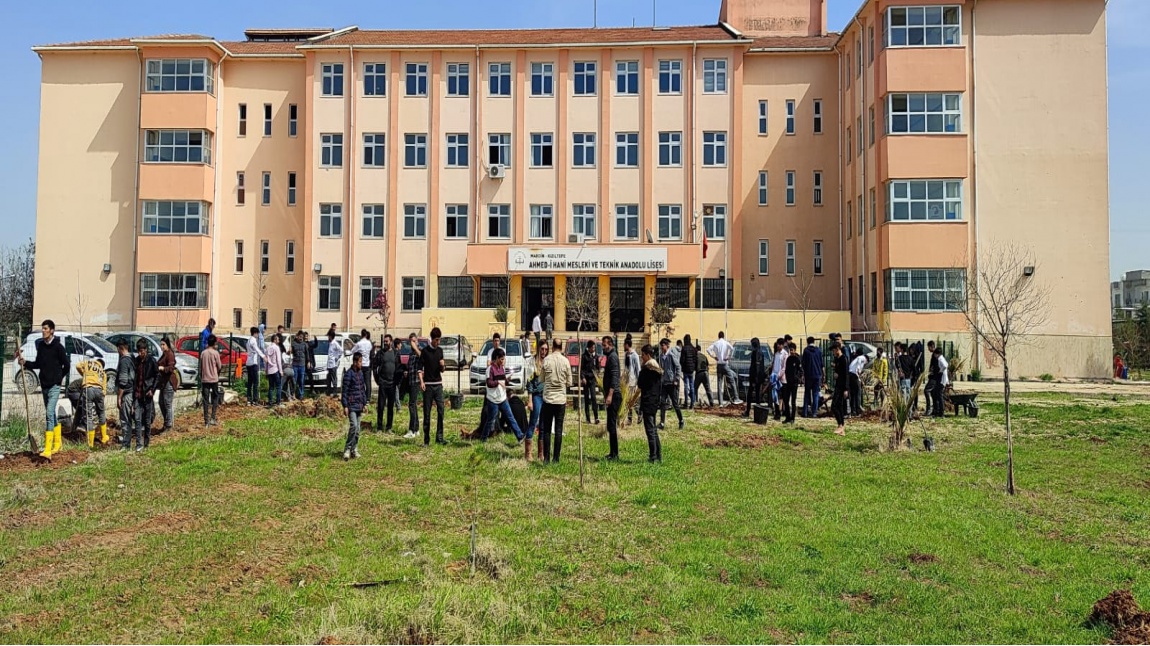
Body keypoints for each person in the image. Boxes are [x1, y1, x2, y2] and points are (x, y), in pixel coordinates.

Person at [16, 320, 70, 459]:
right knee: (51, 415)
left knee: (49, 413)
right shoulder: (41, 346)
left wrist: (59, 378)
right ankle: (57, 444)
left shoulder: (58, 347)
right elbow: (38, 363)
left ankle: (47, 449)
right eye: (42, 329)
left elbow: (67, 365)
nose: (43, 331)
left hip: (54, 386)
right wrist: (25, 363)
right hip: (44, 384)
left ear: (52, 330)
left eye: (45, 328)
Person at [481, 348, 525, 443]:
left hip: (502, 398)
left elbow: (503, 380)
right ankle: (483, 438)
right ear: (496, 358)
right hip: (493, 399)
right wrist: (497, 382)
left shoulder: (502, 368)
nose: (503, 361)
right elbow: (489, 383)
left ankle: (520, 436)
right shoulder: (490, 369)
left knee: (510, 417)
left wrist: (507, 380)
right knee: (490, 420)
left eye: (504, 359)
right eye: (501, 359)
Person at [539, 339, 570, 464]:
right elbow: (569, 382)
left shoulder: (546, 360)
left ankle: (546, 458)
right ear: (561, 348)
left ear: (552, 347)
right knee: (558, 429)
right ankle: (556, 458)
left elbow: (541, 379)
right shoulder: (566, 361)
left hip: (548, 399)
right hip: (560, 399)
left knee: (546, 429)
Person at [420, 327, 447, 445]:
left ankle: (439, 437)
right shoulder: (425, 352)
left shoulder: (440, 351)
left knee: (441, 410)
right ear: (432, 339)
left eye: (439, 340)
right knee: (427, 413)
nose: (438, 342)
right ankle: (426, 440)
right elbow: (420, 369)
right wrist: (421, 381)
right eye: (437, 340)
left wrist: (443, 366)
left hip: (438, 385)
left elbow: (443, 370)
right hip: (428, 386)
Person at [637, 344, 664, 463]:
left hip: (647, 402)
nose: (641, 357)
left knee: (650, 430)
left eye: (642, 355)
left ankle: (652, 456)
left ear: (648, 355)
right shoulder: (658, 370)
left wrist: (642, 369)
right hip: (654, 401)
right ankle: (658, 454)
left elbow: (640, 384)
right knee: (654, 429)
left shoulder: (646, 369)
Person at [133, 339, 160, 451]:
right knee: (138, 419)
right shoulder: (136, 361)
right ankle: (139, 444)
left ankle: (147, 443)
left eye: (142, 351)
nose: (140, 353)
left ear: (146, 350)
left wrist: (152, 390)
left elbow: (157, 375)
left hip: (147, 394)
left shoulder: (151, 361)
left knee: (147, 421)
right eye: (139, 351)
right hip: (138, 394)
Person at [76, 353, 108, 448]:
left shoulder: (89, 363)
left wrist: (84, 374)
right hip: (99, 390)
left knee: (88, 415)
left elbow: (78, 365)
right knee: (101, 413)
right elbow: (104, 389)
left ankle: (90, 443)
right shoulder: (102, 371)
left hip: (88, 388)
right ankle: (104, 437)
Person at [341, 352, 367, 461]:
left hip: (359, 405)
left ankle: (354, 449)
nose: (362, 363)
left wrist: (365, 403)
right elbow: (345, 391)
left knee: (358, 430)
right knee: (353, 426)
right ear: (355, 362)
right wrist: (345, 405)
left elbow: (362, 390)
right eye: (360, 361)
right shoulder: (348, 374)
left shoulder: (361, 374)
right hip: (351, 405)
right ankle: (347, 449)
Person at [524, 343, 547, 462]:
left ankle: (541, 453)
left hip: (546, 396)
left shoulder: (547, 362)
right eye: (542, 349)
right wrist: (530, 400)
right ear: (538, 349)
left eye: (546, 349)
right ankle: (528, 453)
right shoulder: (532, 363)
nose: (544, 351)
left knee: (542, 425)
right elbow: (530, 384)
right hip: (536, 396)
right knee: (533, 422)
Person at [373, 335, 400, 433]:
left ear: (391, 342)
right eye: (384, 341)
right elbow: (374, 366)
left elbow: (399, 367)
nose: (385, 343)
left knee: (390, 407)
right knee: (380, 406)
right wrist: (377, 379)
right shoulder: (380, 353)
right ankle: (379, 427)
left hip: (392, 384)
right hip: (383, 383)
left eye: (387, 341)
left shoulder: (396, 353)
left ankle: (389, 427)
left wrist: (397, 381)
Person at [708, 332, 742, 406]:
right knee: (732, 380)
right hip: (725, 364)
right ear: (723, 336)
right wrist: (728, 357)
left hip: (719, 365)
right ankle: (736, 398)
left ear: (718, 336)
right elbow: (733, 349)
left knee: (719, 384)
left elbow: (708, 350)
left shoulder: (715, 343)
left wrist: (714, 357)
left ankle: (720, 403)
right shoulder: (726, 343)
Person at [602, 336, 621, 461]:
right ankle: (612, 452)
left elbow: (615, 377)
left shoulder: (613, 357)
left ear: (610, 345)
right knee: (610, 425)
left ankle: (615, 454)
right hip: (611, 395)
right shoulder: (610, 357)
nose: (603, 348)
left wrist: (610, 395)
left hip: (614, 396)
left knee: (612, 425)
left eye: (604, 345)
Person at [114, 341, 137, 447]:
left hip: (127, 393)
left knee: (125, 419)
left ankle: (126, 444)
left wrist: (119, 397)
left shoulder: (124, 361)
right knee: (131, 418)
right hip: (133, 391)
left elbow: (123, 381)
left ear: (120, 348)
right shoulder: (132, 358)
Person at [659, 338, 684, 430]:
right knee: (662, 403)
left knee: (675, 404)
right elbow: (661, 367)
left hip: (672, 383)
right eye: (661, 345)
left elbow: (678, 367)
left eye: (663, 345)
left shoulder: (671, 355)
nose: (662, 347)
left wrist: (676, 379)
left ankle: (681, 420)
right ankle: (662, 423)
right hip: (664, 383)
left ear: (667, 346)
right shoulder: (662, 356)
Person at [200, 335, 222, 427]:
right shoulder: (215, 353)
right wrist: (217, 372)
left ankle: (206, 421)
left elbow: (201, 367)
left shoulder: (203, 353)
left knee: (205, 400)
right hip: (214, 379)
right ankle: (213, 417)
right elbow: (219, 366)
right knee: (215, 397)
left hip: (205, 379)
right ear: (214, 343)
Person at [405, 333, 423, 440]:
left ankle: (412, 429)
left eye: (413, 340)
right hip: (411, 381)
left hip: (416, 381)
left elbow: (421, 356)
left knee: (412, 404)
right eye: (410, 341)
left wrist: (415, 346)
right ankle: (416, 429)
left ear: (416, 341)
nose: (411, 343)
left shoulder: (418, 350)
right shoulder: (411, 354)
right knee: (413, 405)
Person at [801, 337, 824, 418]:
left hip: (808, 375)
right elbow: (822, 364)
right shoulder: (818, 351)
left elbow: (803, 363)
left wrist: (803, 374)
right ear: (814, 342)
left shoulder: (806, 351)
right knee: (815, 394)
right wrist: (822, 375)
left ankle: (805, 412)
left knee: (807, 393)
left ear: (807, 342)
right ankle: (814, 412)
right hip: (817, 375)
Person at [580, 340, 601, 424]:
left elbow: (598, 368)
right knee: (586, 399)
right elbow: (581, 369)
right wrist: (583, 377)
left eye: (594, 347)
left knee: (593, 398)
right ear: (589, 348)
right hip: (586, 380)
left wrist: (597, 374)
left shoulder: (596, 356)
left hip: (592, 380)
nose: (593, 348)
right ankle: (588, 418)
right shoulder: (584, 356)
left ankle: (596, 417)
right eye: (592, 347)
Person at [744, 338, 766, 418]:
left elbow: (757, 366)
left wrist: (755, 379)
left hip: (755, 378)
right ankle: (757, 413)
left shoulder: (756, 353)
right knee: (757, 395)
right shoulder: (760, 352)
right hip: (758, 377)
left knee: (750, 395)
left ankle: (748, 411)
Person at [244, 327, 266, 405]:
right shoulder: (253, 340)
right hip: (253, 363)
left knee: (250, 382)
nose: (258, 335)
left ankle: (249, 400)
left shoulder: (248, 340)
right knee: (255, 382)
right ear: (255, 333)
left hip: (248, 363)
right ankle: (255, 400)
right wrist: (264, 357)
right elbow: (257, 349)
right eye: (257, 333)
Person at [831, 343, 849, 436]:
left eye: (834, 350)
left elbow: (845, 374)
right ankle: (841, 426)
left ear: (838, 349)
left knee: (834, 406)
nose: (833, 352)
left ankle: (841, 425)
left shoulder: (843, 359)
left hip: (842, 386)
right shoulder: (837, 359)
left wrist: (846, 389)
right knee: (839, 406)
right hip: (838, 385)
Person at [623, 337, 641, 424]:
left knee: (633, 400)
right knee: (627, 400)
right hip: (626, 381)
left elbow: (638, 369)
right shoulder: (626, 355)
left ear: (627, 345)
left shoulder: (635, 355)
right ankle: (629, 419)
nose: (623, 346)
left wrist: (638, 382)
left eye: (624, 345)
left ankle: (639, 414)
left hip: (633, 381)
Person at [783, 342, 802, 423]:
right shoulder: (788, 359)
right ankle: (787, 417)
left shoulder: (797, 359)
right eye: (790, 350)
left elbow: (801, 371)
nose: (791, 351)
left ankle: (792, 418)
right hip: (788, 382)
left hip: (794, 383)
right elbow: (786, 370)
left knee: (793, 401)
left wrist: (797, 378)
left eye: (792, 350)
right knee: (786, 400)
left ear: (795, 350)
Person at [770, 338, 787, 421]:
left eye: (780, 344)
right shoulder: (776, 354)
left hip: (781, 379)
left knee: (781, 397)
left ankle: (780, 412)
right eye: (777, 344)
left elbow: (784, 367)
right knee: (775, 397)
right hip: (774, 378)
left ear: (782, 345)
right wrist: (773, 375)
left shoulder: (785, 354)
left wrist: (779, 375)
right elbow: (774, 366)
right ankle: (776, 412)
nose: (778, 346)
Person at [680, 335, 698, 409]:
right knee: (692, 387)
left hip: (685, 369)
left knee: (686, 386)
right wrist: (694, 367)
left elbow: (682, 360)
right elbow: (695, 359)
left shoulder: (684, 349)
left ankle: (686, 402)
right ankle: (692, 403)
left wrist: (682, 365)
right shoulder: (694, 349)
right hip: (691, 370)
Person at [931, 346, 950, 418]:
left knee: (939, 395)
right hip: (943, 379)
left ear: (937, 354)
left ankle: (941, 412)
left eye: (935, 354)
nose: (935, 356)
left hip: (941, 379)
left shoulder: (940, 359)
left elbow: (945, 366)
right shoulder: (942, 358)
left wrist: (940, 371)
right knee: (937, 394)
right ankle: (938, 411)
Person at [265, 334, 283, 407]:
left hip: (269, 370)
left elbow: (266, 360)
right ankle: (278, 402)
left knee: (271, 387)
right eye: (277, 339)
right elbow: (278, 360)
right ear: (274, 340)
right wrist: (281, 371)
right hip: (275, 369)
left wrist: (266, 370)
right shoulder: (276, 348)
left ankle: (270, 402)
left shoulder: (268, 348)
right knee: (278, 386)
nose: (278, 340)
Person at [291, 331, 310, 400]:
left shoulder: (304, 344)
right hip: (295, 365)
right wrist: (289, 351)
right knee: (294, 380)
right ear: (297, 336)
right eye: (300, 337)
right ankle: (293, 394)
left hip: (302, 365)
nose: (301, 338)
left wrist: (308, 362)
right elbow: (290, 353)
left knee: (301, 381)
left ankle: (301, 395)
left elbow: (307, 354)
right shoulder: (293, 344)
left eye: (302, 337)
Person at [694, 343, 715, 408]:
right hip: (705, 372)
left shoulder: (695, 356)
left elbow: (694, 365)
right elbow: (707, 365)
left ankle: (692, 401)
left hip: (699, 373)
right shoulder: (704, 356)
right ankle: (711, 403)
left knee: (694, 388)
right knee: (708, 388)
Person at [354, 330, 373, 401]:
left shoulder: (359, 343)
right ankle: (368, 398)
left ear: (361, 335)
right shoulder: (369, 343)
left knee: (359, 381)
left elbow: (353, 351)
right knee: (368, 382)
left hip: (360, 365)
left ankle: (360, 397)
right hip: (367, 365)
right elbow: (371, 350)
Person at [849, 349, 867, 416]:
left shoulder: (855, 359)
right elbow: (858, 368)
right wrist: (859, 378)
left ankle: (853, 411)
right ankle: (858, 410)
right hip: (854, 375)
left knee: (853, 394)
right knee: (858, 393)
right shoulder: (862, 358)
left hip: (850, 375)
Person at [324, 331, 342, 395]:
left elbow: (341, 350)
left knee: (334, 378)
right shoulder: (330, 343)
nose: (328, 337)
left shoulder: (335, 343)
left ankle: (335, 392)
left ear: (331, 336)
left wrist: (336, 358)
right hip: (329, 364)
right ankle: (328, 391)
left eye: (328, 336)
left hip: (333, 364)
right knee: (328, 378)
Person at [923, 341, 938, 414]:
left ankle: (929, 408)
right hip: (934, 377)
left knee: (926, 390)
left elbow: (935, 367)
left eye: (928, 347)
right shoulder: (934, 354)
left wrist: (932, 373)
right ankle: (935, 409)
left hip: (934, 378)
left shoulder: (935, 355)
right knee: (933, 393)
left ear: (931, 346)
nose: (928, 349)